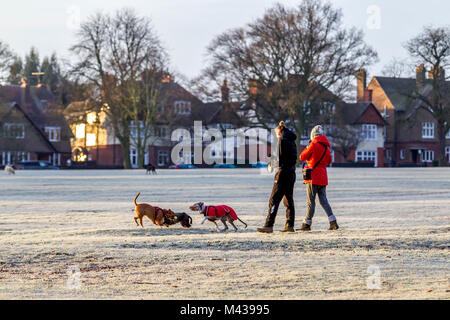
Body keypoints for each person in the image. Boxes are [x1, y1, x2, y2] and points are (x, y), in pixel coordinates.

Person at [257, 121, 297, 233]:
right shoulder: (292, 141)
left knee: (274, 199)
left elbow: (279, 160)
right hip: (291, 172)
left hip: (282, 173)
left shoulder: (281, 141)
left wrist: (272, 160)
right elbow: (287, 157)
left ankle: (268, 225)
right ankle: (290, 225)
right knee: (288, 199)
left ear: (279, 132)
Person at [298, 125, 338, 231]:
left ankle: (307, 224)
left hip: (313, 176)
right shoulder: (326, 147)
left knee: (311, 202)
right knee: (323, 201)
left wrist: (308, 148)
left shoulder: (313, 145)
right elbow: (329, 161)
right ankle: (333, 221)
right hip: (323, 176)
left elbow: (302, 157)